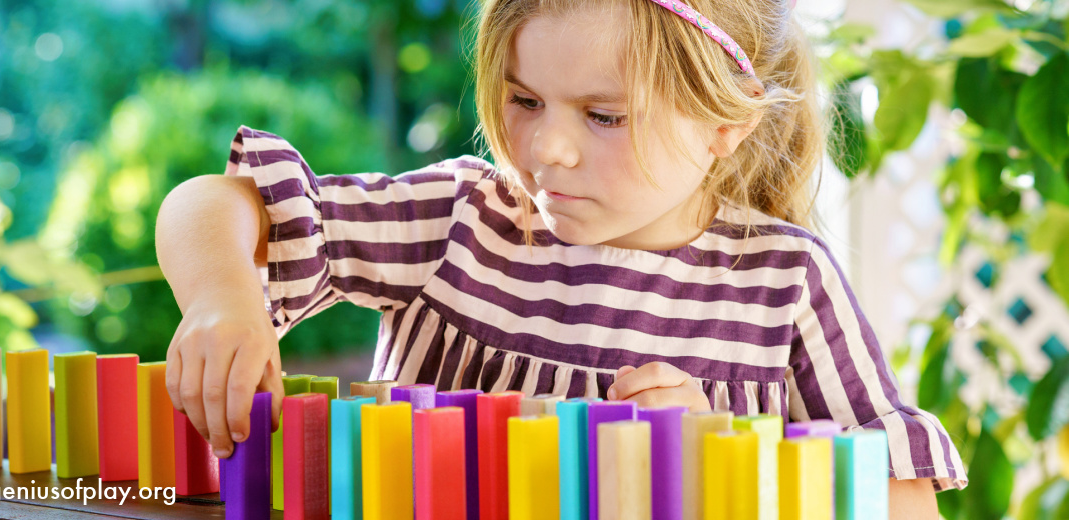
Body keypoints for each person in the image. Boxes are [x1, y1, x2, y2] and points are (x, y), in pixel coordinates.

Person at [155, 0, 966, 515]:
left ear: (726, 128)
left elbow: (903, 498)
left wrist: (722, 459)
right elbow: (220, 202)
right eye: (524, 100)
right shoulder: (461, 220)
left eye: (605, 116)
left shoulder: (785, 284)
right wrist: (224, 298)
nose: (547, 148)